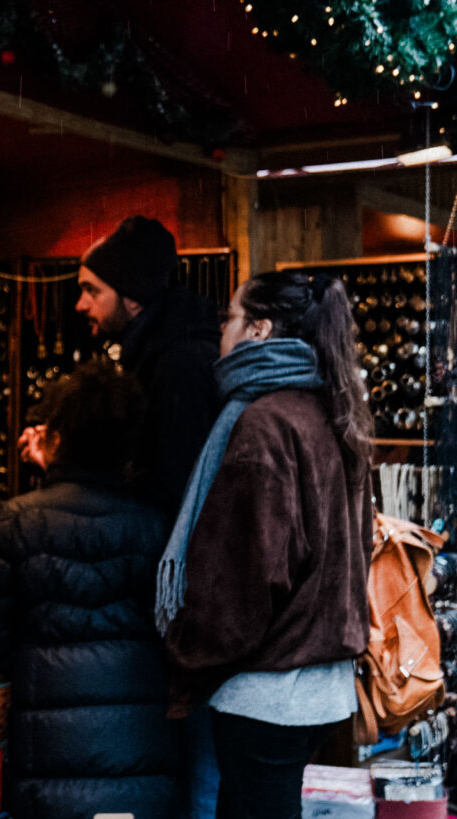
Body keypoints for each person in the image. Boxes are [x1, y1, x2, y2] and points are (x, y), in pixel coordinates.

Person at [158, 270, 374, 819]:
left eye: (230, 319)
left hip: (270, 691)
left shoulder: (264, 423)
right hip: (319, 686)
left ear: (259, 329)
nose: (221, 333)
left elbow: (245, 578)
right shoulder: (331, 410)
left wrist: (185, 651)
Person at [0, 360, 184, 819]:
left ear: (57, 436)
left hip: (52, 751)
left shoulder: (18, 522)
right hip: (140, 745)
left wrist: (40, 658)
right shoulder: (156, 525)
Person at [19, 215, 221, 517]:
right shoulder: (156, 351)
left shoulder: (179, 365)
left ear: (133, 298)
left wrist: (65, 469)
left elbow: (169, 491)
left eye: (93, 291)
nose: (80, 305)